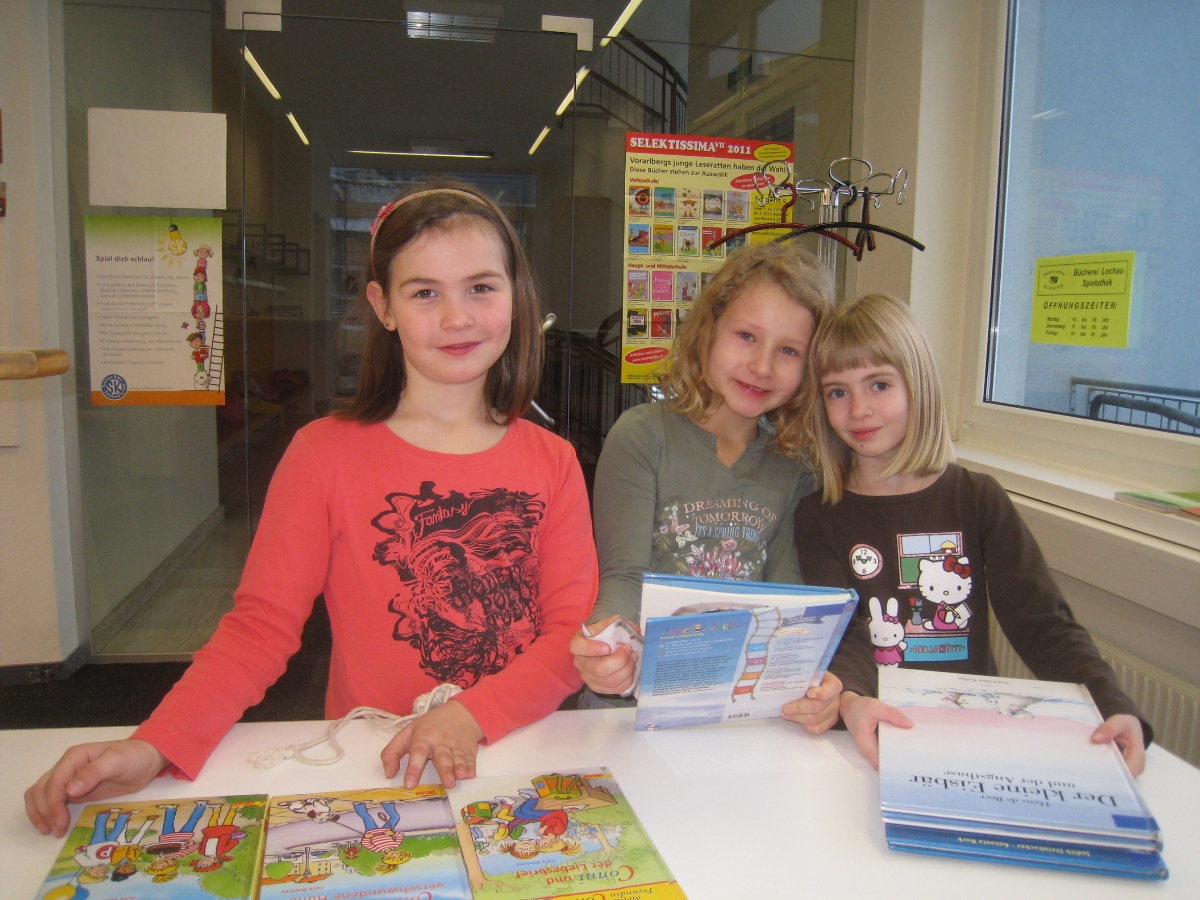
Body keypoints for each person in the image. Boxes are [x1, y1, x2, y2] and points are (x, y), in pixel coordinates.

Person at [26, 183, 599, 838]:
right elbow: (260, 629)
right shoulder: (323, 455)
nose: (456, 317)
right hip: (380, 765)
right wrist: (157, 743)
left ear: (515, 296)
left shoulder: (553, 460)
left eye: (480, 288)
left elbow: (569, 636)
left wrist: (472, 714)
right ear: (382, 306)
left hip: (524, 751)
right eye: (424, 293)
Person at [793, 292, 1150, 772]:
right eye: (838, 391)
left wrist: (1111, 704)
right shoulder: (818, 515)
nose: (858, 409)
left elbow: (1041, 621)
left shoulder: (978, 499)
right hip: (861, 737)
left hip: (970, 734)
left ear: (918, 386)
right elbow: (844, 632)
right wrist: (852, 696)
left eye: (879, 384)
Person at [569, 242, 874, 729]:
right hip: (631, 707)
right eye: (746, 336)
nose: (762, 366)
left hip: (740, 709)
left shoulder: (796, 467)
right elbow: (623, 577)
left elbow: (788, 599)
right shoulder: (643, 435)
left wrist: (818, 687)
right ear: (709, 331)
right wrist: (607, 642)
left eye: (788, 351)